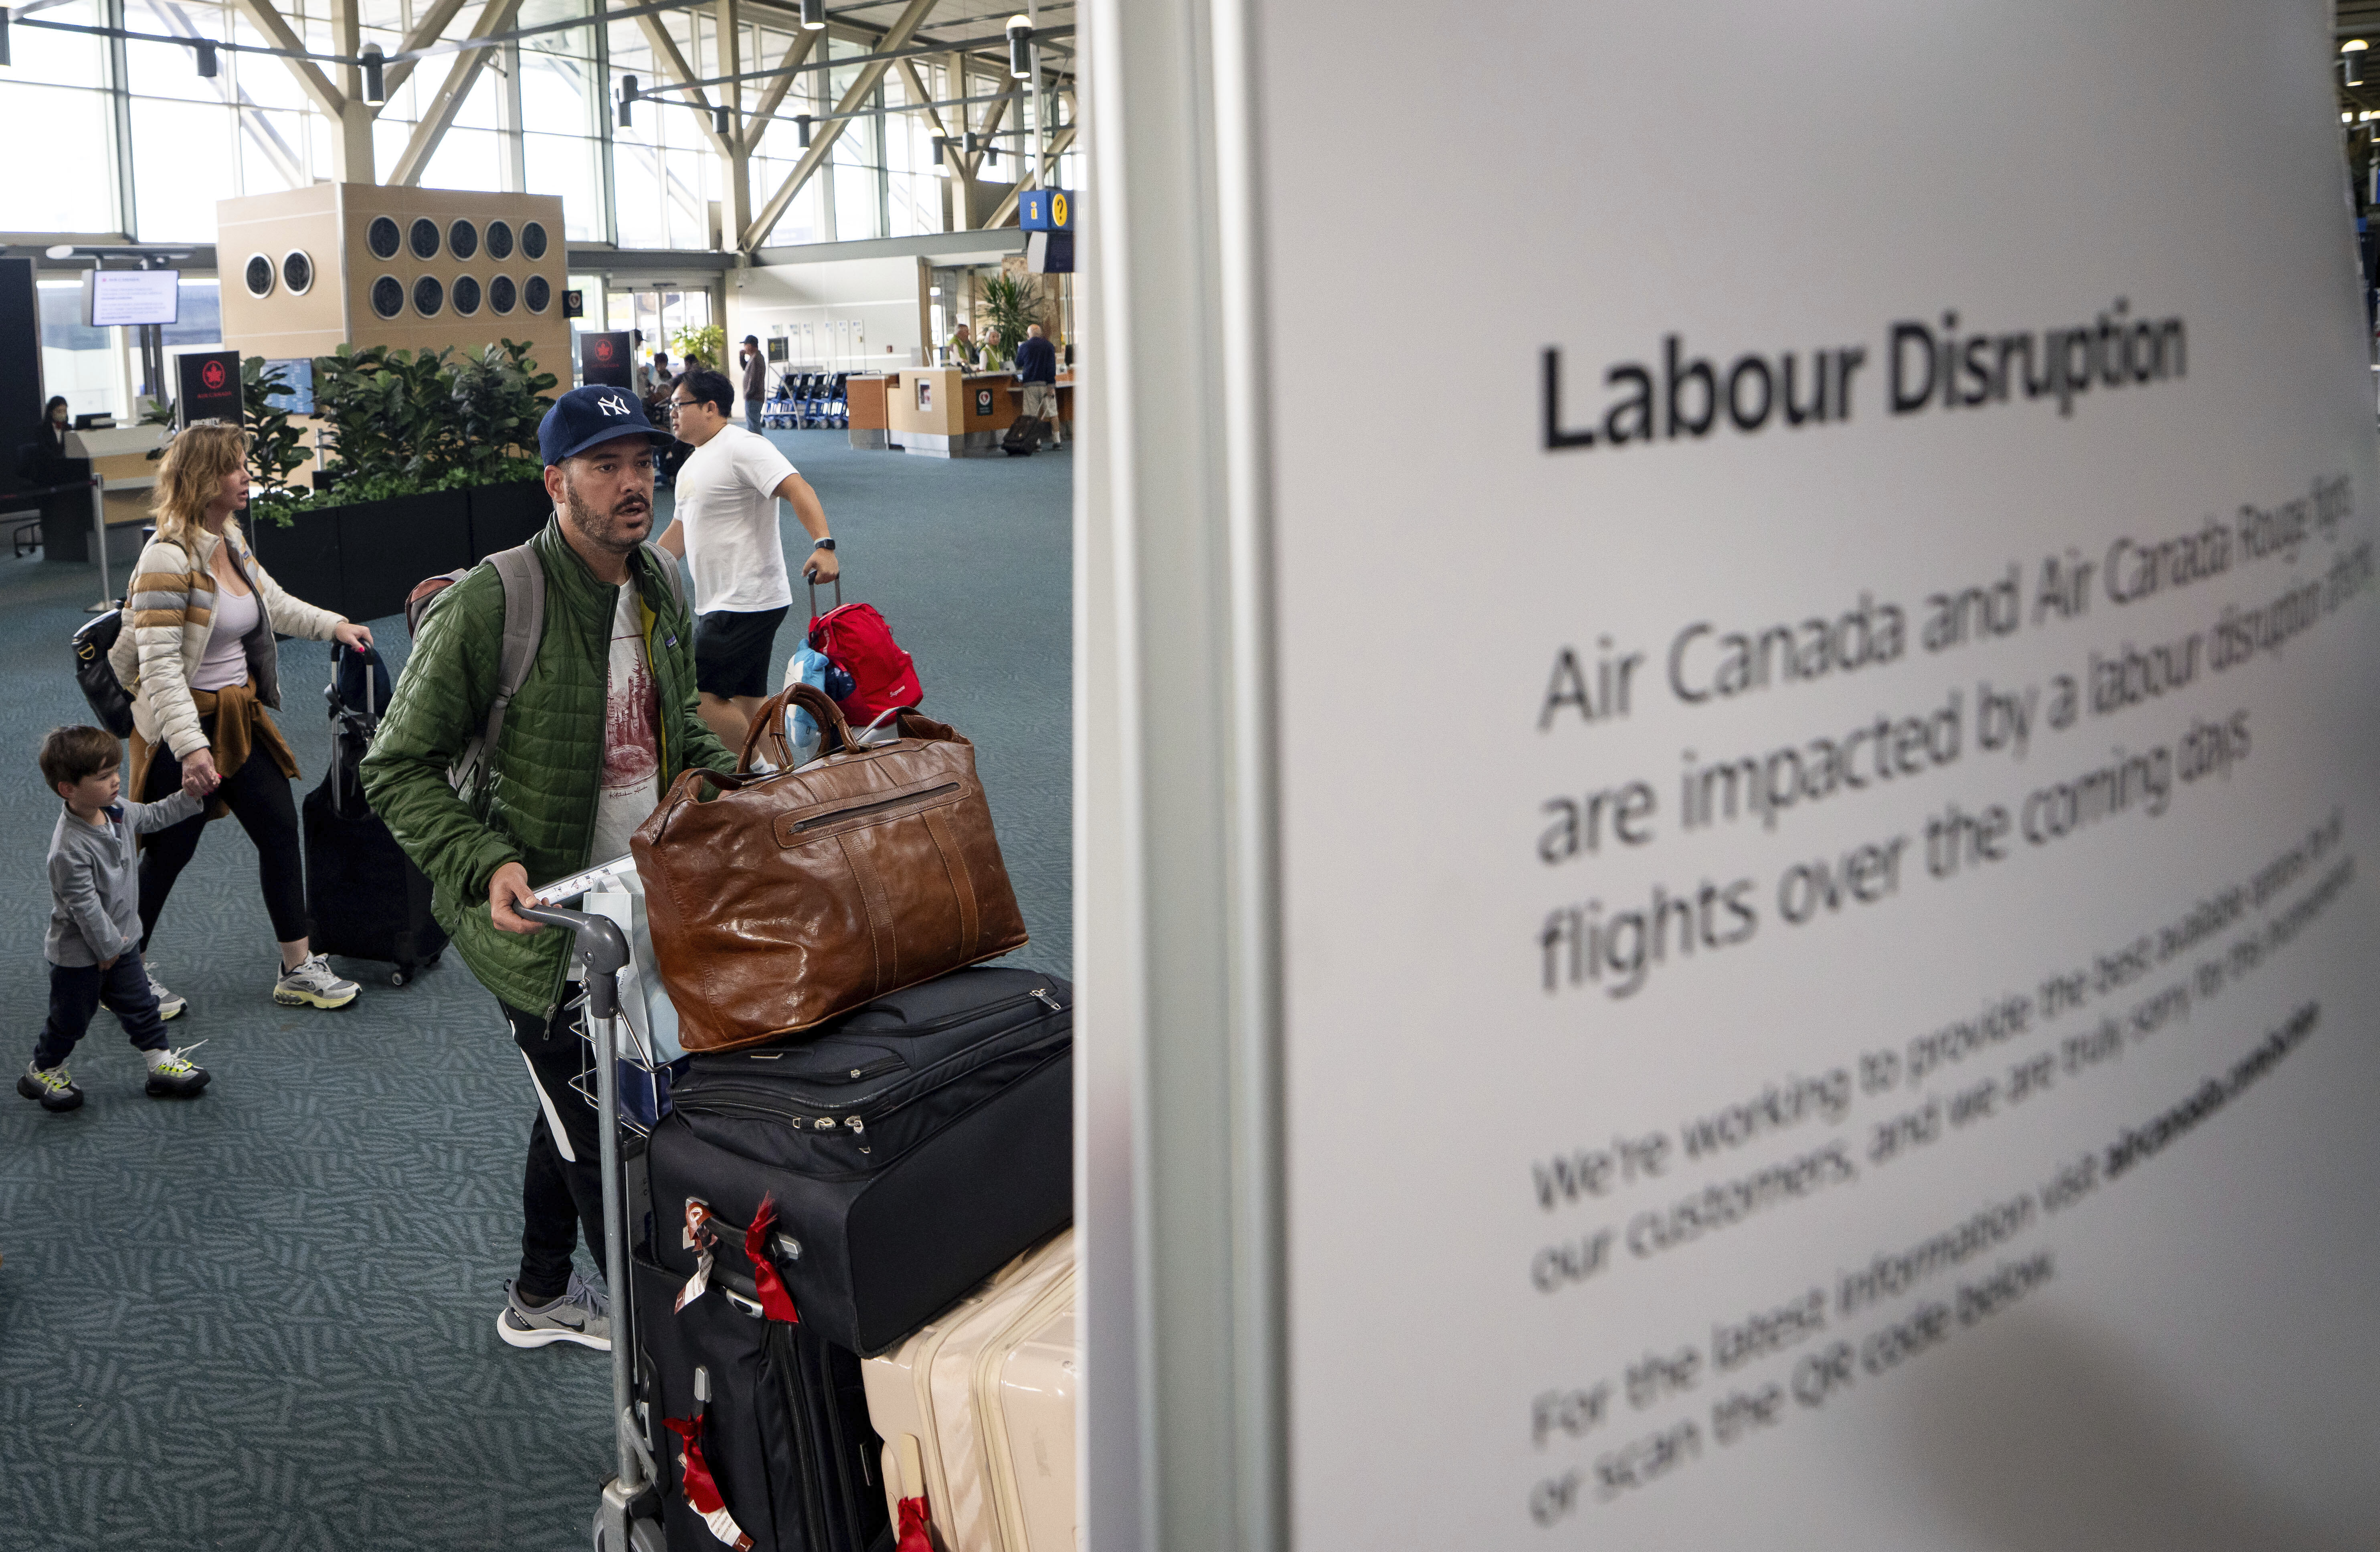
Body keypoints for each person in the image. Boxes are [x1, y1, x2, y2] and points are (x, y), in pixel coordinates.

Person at [360, 385, 738, 1353]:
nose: (632, 485)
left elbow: (678, 728)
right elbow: (393, 766)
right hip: (542, 933)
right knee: (611, 1154)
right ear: (555, 482)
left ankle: (536, 1296)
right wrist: (483, 859)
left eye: (643, 465)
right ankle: (667, 1371)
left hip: (640, 906)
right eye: (605, 467)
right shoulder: (495, 602)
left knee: (572, 1110)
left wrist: (743, 789)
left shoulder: (657, 585)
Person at [107, 421, 372, 1016]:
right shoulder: (164, 558)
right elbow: (160, 670)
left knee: (279, 833)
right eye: (235, 466)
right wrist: (192, 748)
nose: (246, 475)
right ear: (204, 477)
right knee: (169, 852)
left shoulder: (227, 536)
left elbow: (271, 603)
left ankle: (297, 966)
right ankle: (120, 970)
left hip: (238, 718)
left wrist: (333, 623)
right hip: (185, 728)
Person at [18, 726, 210, 1113]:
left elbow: (154, 815)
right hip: (80, 956)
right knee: (71, 1020)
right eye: (103, 777)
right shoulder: (67, 850)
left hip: (121, 942)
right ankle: (43, 1068)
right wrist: (108, 948)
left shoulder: (117, 811)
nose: (116, 781)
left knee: (142, 1007)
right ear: (67, 789)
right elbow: (84, 906)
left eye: (116, 771)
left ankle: (160, 1063)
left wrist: (189, 797)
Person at [653, 367, 840, 747]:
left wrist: (824, 544)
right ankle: (778, 780)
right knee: (747, 700)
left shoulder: (743, 446)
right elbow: (681, 532)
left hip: (746, 600)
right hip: (722, 601)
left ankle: (758, 774)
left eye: (678, 404)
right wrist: (642, 565)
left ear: (710, 408)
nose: (671, 412)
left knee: (696, 696)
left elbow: (796, 487)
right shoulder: (692, 463)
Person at [1015, 322, 1060, 447]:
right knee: (1053, 413)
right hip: (1046, 384)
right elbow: (1052, 367)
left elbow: (1018, 363)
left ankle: (1036, 443)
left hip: (1030, 384)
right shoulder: (1049, 346)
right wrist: (1051, 385)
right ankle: (1057, 441)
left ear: (1028, 335)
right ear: (1040, 334)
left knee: (1031, 415)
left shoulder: (1024, 346)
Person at [739, 334, 768, 435]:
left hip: (754, 398)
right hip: (755, 397)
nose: (744, 348)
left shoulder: (756, 359)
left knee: (753, 427)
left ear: (750, 346)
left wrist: (748, 394)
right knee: (754, 425)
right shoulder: (755, 357)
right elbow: (745, 368)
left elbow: (754, 380)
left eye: (745, 345)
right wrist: (742, 357)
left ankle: (758, 448)